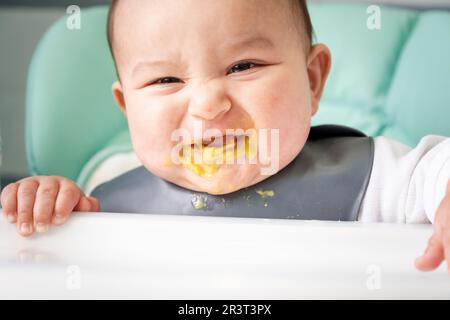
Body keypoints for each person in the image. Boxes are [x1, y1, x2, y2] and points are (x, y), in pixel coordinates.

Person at [1, 0, 449, 273]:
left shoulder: (375, 178)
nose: (208, 104)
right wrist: (54, 207)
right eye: (165, 80)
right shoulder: (110, 193)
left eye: (243, 66)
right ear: (127, 108)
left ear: (312, 80)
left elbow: (437, 170)